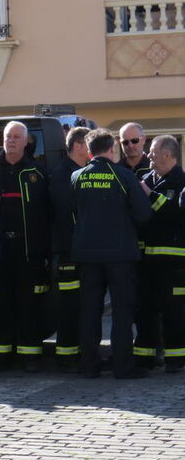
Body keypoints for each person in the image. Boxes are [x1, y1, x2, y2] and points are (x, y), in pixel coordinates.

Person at [71, 128, 152, 379]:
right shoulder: (123, 175)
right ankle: (122, 366)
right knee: (122, 311)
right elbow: (143, 214)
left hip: (87, 254)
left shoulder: (77, 176)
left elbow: (71, 211)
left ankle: (89, 365)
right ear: (111, 149)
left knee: (89, 311)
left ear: (89, 150)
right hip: (119, 254)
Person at [0, 121, 50, 372]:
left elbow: (48, 213)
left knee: (29, 304)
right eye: (8, 136)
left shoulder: (38, 173)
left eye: (16, 137)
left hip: (29, 250)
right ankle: (1, 355)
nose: (11, 140)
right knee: (0, 305)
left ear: (26, 142)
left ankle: (30, 356)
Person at [135, 135, 185, 372]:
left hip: (173, 264)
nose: (149, 154)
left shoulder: (182, 183)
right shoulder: (145, 179)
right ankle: (144, 358)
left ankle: (176, 360)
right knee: (144, 310)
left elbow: (175, 216)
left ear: (168, 154)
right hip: (146, 262)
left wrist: (149, 194)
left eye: (153, 150)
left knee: (173, 313)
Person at [48, 126, 90, 370]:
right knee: (70, 305)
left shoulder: (79, 170)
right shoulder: (64, 174)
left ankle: (78, 353)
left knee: (83, 304)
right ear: (77, 146)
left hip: (81, 249)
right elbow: (68, 213)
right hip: (70, 251)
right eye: (88, 144)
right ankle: (66, 357)